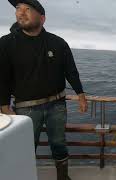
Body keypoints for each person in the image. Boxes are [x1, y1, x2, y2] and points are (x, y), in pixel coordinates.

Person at [0, 0, 88, 179]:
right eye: (18, 9)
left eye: (27, 9)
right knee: (24, 147)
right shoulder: (6, 44)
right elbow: (2, 78)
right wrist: (3, 106)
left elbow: (70, 71)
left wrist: (81, 95)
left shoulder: (58, 43)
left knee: (59, 144)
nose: (20, 13)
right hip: (25, 109)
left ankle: (63, 177)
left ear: (42, 18)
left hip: (57, 105)